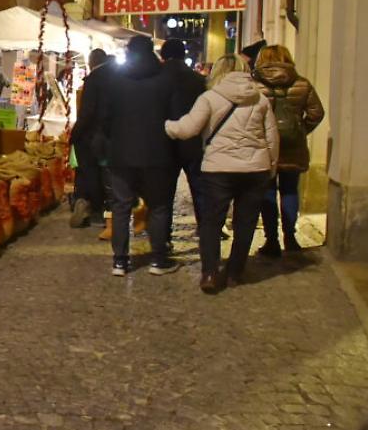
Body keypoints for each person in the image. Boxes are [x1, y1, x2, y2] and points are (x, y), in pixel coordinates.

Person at [165, 54, 278, 292]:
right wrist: (271, 167)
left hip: (218, 169)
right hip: (255, 169)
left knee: (211, 222)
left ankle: (209, 273)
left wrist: (167, 126)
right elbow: (271, 138)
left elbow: (188, 129)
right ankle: (235, 271)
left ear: (217, 71)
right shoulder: (260, 100)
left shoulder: (209, 98)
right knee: (245, 222)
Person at [99, 36, 181, 276]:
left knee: (121, 207)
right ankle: (157, 259)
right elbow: (174, 116)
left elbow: (104, 117)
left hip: (121, 153)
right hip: (157, 153)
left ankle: (120, 262)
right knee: (158, 206)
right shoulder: (165, 80)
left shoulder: (115, 81)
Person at [252, 44, 325, 256]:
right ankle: (290, 239)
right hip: (294, 145)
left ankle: (272, 241)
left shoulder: (254, 84)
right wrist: (301, 130)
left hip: (264, 145)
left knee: (267, 191)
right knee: (290, 190)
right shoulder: (302, 83)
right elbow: (316, 113)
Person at [160, 39, 207, 227]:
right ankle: (206, 232)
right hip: (193, 141)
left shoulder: (157, 78)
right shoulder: (199, 80)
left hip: (165, 141)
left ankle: (163, 236)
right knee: (199, 190)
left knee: (164, 193)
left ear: (163, 55)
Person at [69, 48, 113, 228]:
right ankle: (106, 210)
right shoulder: (116, 77)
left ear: (91, 61)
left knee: (89, 170)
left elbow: (87, 112)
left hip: (94, 136)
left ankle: (91, 206)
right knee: (107, 174)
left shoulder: (94, 80)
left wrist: (75, 134)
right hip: (112, 135)